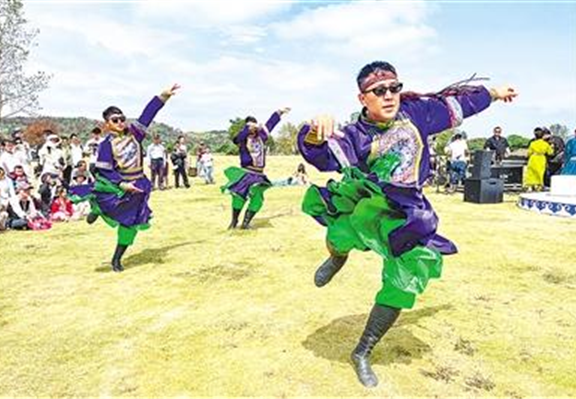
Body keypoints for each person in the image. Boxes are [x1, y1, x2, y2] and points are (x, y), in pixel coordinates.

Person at [297, 60, 517, 388]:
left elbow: (458, 106)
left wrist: (494, 93)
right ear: (363, 98)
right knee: (339, 232)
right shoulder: (355, 135)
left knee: (407, 276)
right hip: (368, 204)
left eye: (394, 88)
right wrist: (313, 132)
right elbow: (323, 154)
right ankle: (337, 257)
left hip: (409, 214)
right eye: (379, 91)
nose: (389, 95)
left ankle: (362, 352)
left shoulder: (417, 114)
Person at [69, 84, 180, 272]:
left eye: (122, 118)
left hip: (140, 184)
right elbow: (106, 170)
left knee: (132, 222)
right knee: (107, 203)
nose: (120, 122)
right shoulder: (106, 145)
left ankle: (117, 258)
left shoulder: (135, 134)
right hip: (120, 184)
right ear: (107, 124)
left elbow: (148, 115)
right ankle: (97, 207)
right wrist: (122, 184)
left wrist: (163, 96)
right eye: (115, 120)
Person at [221, 107, 290, 229]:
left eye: (254, 125)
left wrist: (279, 112)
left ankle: (246, 223)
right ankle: (234, 221)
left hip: (259, 174)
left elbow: (270, 124)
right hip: (246, 173)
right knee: (239, 197)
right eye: (249, 126)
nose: (253, 128)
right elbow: (236, 139)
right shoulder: (243, 138)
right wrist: (247, 129)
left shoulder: (261, 137)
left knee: (257, 199)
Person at [523, 127, 554, 191]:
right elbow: (550, 153)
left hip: (533, 158)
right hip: (541, 159)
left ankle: (530, 186)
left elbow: (529, 153)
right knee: (540, 173)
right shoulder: (546, 144)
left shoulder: (532, 143)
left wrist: (527, 156)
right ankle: (539, 186)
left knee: (531, 173)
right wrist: (551, 146)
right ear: (543, 135)